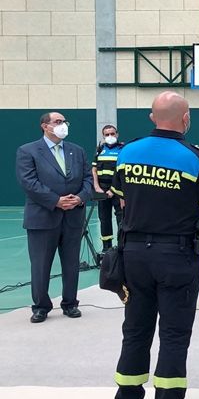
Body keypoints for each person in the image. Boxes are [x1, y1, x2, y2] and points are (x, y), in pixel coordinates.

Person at [110, 91, 199, 399]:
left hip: (134, 257)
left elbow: (121, 198)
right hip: (175, 257)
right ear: (186, 118)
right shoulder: (194, 158)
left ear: (151, 116)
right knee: (174, 336)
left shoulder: (127, 153)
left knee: (135, 332)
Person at [15, 112, 91, 323]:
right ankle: (41, 306)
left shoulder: (77, 151)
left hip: (73, 217)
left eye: (64, 122)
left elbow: (87, 179)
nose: (63, 125)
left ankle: (70, 303)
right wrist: (56, 200)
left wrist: (79, 198)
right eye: (58, 122)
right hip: (42, 217)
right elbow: (29, 182)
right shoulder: (28, 151)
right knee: (40, 265)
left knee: (71, 264)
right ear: (45, 126)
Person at [92, 124, 124, 251]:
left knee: (121, 218)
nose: (110, 136)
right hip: (102, 191)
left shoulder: (123, 150)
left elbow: (123, 172)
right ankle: (107, 248)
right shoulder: (99, 150)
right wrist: (97, 187)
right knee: (104, 218)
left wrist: (113, 189)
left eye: (112, 134)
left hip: (118, 191)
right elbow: (94, 170)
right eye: (107, 134)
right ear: (103, 136)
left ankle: (121, 246)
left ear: (117, 134)